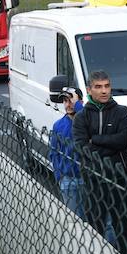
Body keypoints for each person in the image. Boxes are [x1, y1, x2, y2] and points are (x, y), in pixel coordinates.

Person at [74, 70, 127, 254]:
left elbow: (123, 140)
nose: (104, 91)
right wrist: (111, 146)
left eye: (107, 86)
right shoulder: (81, 117)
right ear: (89, 90)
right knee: (95, 230)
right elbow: (82, 149)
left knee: (123, 229)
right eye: (98, 87)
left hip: (118, 180)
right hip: (93, 181)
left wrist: (96, 140)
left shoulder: (122, 112)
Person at [49, 87, 84, 215]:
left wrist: (78, 106)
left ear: (80, 102)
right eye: (65, 101)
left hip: (87, 178)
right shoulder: (58, 125)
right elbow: (53, 152)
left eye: (71, 100)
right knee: (74, 217)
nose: (68, 104)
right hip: (68, 180)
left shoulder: (87, 120)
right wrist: (60, 176)